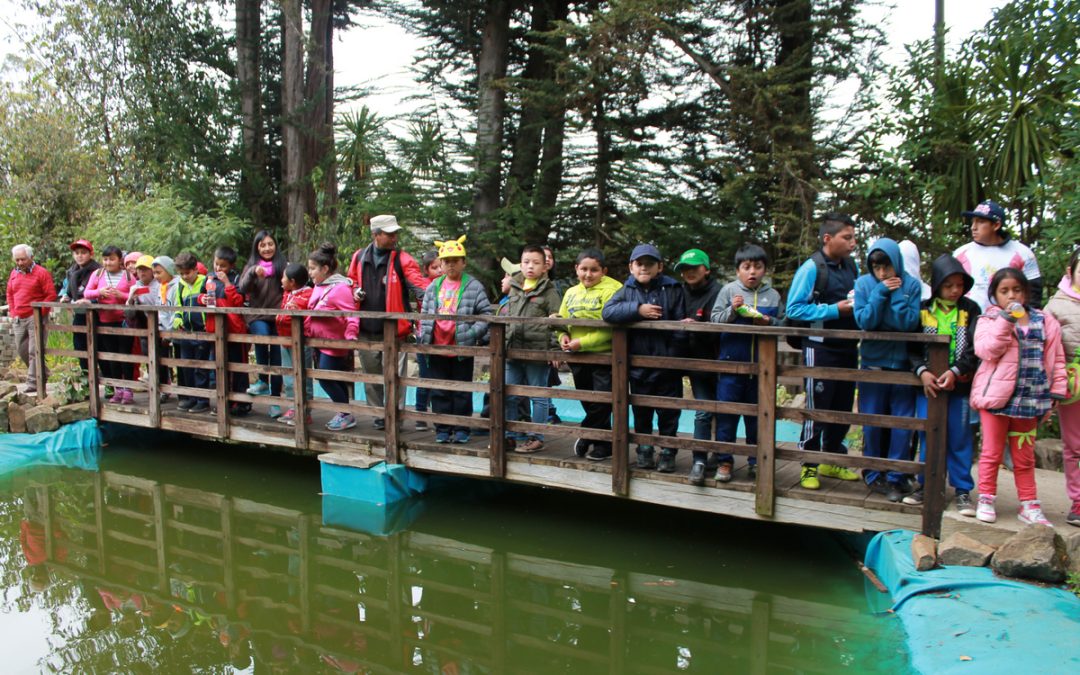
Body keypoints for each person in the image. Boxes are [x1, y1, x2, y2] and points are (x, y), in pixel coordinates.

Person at [971, 268, 1067, 525]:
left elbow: (1057, 358)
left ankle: (1029, 505)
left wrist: (1058, 389)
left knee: (1024, 457)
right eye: (1004, 291)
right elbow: (986, 350)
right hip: (996, 401)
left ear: (1025, 292)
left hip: (1031, 400)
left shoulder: (1045, 321)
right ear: (994, 295)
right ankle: (986, 498)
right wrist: (1006, 319)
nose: (1011, 295)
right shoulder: (988, 320)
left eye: (1016, 290)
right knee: (991, 453)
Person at [786, 213, 862, 490]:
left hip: (847, 346)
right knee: (817, 407)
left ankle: (832, 459)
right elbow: (794, 309)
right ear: (828, 239)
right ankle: (809, 465)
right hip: (819, 347)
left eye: (854, 237)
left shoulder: (852, 267)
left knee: (842, 406)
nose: (853, 243)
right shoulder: (811, 268)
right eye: (847, 237)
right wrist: (834, 310)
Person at [904, 254, 981, 516]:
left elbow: (975, 347)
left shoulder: (970, 310)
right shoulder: (922, 310)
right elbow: (912, 348)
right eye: (949, 285)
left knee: (960, 438)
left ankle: (962, 491)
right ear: (937, 285)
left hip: (958, 385)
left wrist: (956, 370)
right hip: (927, 386)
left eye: (959, 285)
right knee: (927, 435)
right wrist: (922, 372)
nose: (955, 291)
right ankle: (926, 485)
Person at [601, 243, 686, 473]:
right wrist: (638, 310)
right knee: (641, 411)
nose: (644, 268)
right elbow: (608, 312)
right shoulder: (626, 290)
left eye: (650, 264)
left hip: (668, 365)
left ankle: (668, 452)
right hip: (638, 365)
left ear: (660, 266)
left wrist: (673, 358)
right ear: (631, 267)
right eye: (639, 264)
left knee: (669, 412)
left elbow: (681, 324)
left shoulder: (673, 288)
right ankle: (644, 450)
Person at [709, 244, 785, 485]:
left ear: (765, 270)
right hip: (731, 366)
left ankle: (756, 462)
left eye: (758, 267)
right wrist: (733, 310)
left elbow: (784, 324)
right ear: (738, 270)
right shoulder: (728, 291)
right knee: (727, 417)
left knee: (758, 418)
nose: (752, 272)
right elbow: (715, 321)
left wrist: (769, 321)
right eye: (747, 267)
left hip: (762, 369)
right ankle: (725, 461)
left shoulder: (773, 295)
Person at [853, 238, 922, 502]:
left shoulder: (912, 285)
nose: (882, 273)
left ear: (897, 263)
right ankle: (873, 473)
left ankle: (896, 476)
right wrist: (881, 292)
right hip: (872, 362)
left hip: (903, 365)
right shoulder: (863, 284)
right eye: (876, 267)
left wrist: (894, 295)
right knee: (872, 422)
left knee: (902, 425)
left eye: (887, 267)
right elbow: (866, 321)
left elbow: (907, 322)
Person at [346, 214, 429, 430]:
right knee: (372, 376)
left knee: (395, 376)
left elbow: (420, 287)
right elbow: (350, 281)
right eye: (389, 234)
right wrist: (355, 291)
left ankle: (395, 415)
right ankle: (378, 415)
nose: (394, 237)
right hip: (366, 327)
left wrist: (434, 302)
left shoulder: (403, 259)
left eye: (395, 233)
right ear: (376, 235)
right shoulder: (359, 257)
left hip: (395, 331)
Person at [418, 236, 491, 444]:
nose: (451, 265)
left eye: (455, 260)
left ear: (463, 262)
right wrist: (424, 336)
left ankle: (461, 428)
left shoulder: (473, 286)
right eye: (446, 261)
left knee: (461, 389)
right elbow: (424, 313)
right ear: (440, 264)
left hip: (461, 348)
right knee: (440, 389)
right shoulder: (433, 287)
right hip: (437, 346)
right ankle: (442, 428)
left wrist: (471, 333)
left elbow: (485, 314)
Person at [558, 248, 622, 461]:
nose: (588, 274)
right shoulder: (571, 293)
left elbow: (611, 327)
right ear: (576, 269)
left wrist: (582, 342)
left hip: (604, 356)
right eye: (583, 269)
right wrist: (563, 337)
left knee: (602, 401)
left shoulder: (614, 290)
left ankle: (586, 434)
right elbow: (562, 320)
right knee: (588, 400)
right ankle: (604, 445)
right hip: (578, 356)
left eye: (594, 270)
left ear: (603, 270)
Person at [503, 245, 562, 454]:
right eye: (526, 261)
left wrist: (555, 351)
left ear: (545, 266)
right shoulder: (515, 286)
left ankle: (536, 436)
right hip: (513, 349)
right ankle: (509, 435)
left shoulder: (550, 290)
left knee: (538, 395)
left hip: (538, 352)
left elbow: (558, 322)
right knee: (508, 393)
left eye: (536, 262)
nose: (530, 266)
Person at [674, 249, 721, 483]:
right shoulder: (680, 292)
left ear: (707, 269)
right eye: (685, 268)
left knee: (724, 410)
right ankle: (699, 460)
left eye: (694, 267)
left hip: (721, 360)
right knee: (703, 410)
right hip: (695, 361)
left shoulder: (719, 291)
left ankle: (722, 457)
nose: (689, 272)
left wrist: (700, 327)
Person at [305, 243, 360, 432]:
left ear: (325, 269)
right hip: (319, 341)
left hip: (334, 343)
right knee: (333, 378)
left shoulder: (340, 288)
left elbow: (351, 313)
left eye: (312, 268)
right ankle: (344, 413)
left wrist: (351, 333)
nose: (310, 272)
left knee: (325, 378)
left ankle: (345, 413)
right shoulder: (319, 287)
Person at [1044, 247, 1080, 526]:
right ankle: (1078, 502)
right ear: (1070, 272)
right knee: (1074, 445)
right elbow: (1048, 350)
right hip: (1072, 383)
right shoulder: (1055, 307)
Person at [953, 200, 1042, 310]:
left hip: (1010, 322)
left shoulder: (1023, 253)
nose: (973, 227)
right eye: (973, 222)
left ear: (996, 225)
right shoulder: (960, 253)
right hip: (969, 322)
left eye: (980, 222)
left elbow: (1034, 294)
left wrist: (1024, 320)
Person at [238, 230, 288, 416]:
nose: (267, 248)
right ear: (257, 247)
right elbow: (243, 288)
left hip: (278, 317)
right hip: (257, 316)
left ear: (275, 245)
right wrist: (252, 273)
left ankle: (274, 401)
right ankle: (261, 381)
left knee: (276, 357)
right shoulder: (251, 265)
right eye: (263, 245)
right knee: (262, 338)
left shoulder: (282, 265)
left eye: (270, 244)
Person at [83, 246, 135, 403]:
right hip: (105, 321)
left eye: (112, 259)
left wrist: (121, 295)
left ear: (119, 260)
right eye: (105, 259)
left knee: (124, 355)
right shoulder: (97, 274)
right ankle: (117, 389)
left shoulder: (128, 276)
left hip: (124, 321)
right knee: (111, 356)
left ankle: (128, 390)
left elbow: (135, 295)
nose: (108, 262)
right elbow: (86, 293)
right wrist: (100, 292)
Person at [203, 246, 250, 417]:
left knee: (238, 367)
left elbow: (238, 302)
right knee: (219, 367)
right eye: (216, 264)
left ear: (231, 265)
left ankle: (241, 402)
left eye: (222, 265)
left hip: (234, 330)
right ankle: (223, 402)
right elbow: (200, 297)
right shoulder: (209, 278)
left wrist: (227, 283)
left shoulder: (237, 279)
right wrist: (204, 299)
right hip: (214, 329)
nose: (218, 268)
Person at [6, 244, 57, 394]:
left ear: (31, 258)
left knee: (34, 350)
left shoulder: (41, 273)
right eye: (17, 260)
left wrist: (41, 312)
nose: (20, 263)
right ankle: (44, 373)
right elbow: (10, 293)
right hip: (19, 317)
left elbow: (50, 295)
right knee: (22, 349)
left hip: (36, 316)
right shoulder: (14, 274)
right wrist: (13, 310)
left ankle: (33, 383)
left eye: (23, 259)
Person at [171, 253, 211, 413]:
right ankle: (191, 397)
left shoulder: (205, 283)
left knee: (200, 367)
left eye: (187, 273)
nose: (185, 276)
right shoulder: (180, 285)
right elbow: (179, 306)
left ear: (195, 270)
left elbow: (211, 305)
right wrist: (178, 320)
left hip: (202, 332)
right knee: (186, 366)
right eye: (182, 274)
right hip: (186, 332)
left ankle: (202, 399)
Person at [277, 263, 314, 426]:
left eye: (284, 277)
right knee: (289, 377)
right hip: (285, 341)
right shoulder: (287, 294)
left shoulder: (308, 295)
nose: (281, 280)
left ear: (292, 281)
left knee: (302, 377)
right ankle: (293, 406)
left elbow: (310, 317)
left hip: (301, 342)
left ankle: (305, 411)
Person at [124, 255, 163, 401]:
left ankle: (164, 387)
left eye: (145, 269)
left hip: (160, 326)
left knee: (162, 358)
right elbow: (128, 314)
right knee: (148, 357)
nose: (142, 272)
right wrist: (131, 299)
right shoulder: (135, 287)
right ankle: (153, 387)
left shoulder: (159, 285)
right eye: (139, 269)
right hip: (144, 327)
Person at [61, 239, 101, 376]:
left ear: (91, 254)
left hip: (97, 314)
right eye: (76, 253)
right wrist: (65, 297)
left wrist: (91, 300)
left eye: (83, 253)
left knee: (99, 347)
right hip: (79, 314)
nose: (79, 256)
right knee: (80, 346)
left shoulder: (98, 271)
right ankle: (86, 378)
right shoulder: (72, 271)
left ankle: (107, 383)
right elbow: (68, 290)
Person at [413, 251, 442, 430]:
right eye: (434, 267)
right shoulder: (424, 286)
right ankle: (420, 413)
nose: (439, 270)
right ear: (426, 269)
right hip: (424, 334)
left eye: (441, 266)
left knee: (439, 375)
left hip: (442, 336)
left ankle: (439, 413)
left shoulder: (447, 284)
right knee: (425, 374)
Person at [151, 256, 181, 401]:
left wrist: (169, 333)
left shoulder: (176, 287)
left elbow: (175, 311)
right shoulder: (160, 287)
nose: (156, 276)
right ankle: (164, 388)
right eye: (154, 273)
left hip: (173, 330)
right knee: (160, 360)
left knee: (179, 361)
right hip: (161, 329)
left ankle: (184, 392)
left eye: (159, 272)